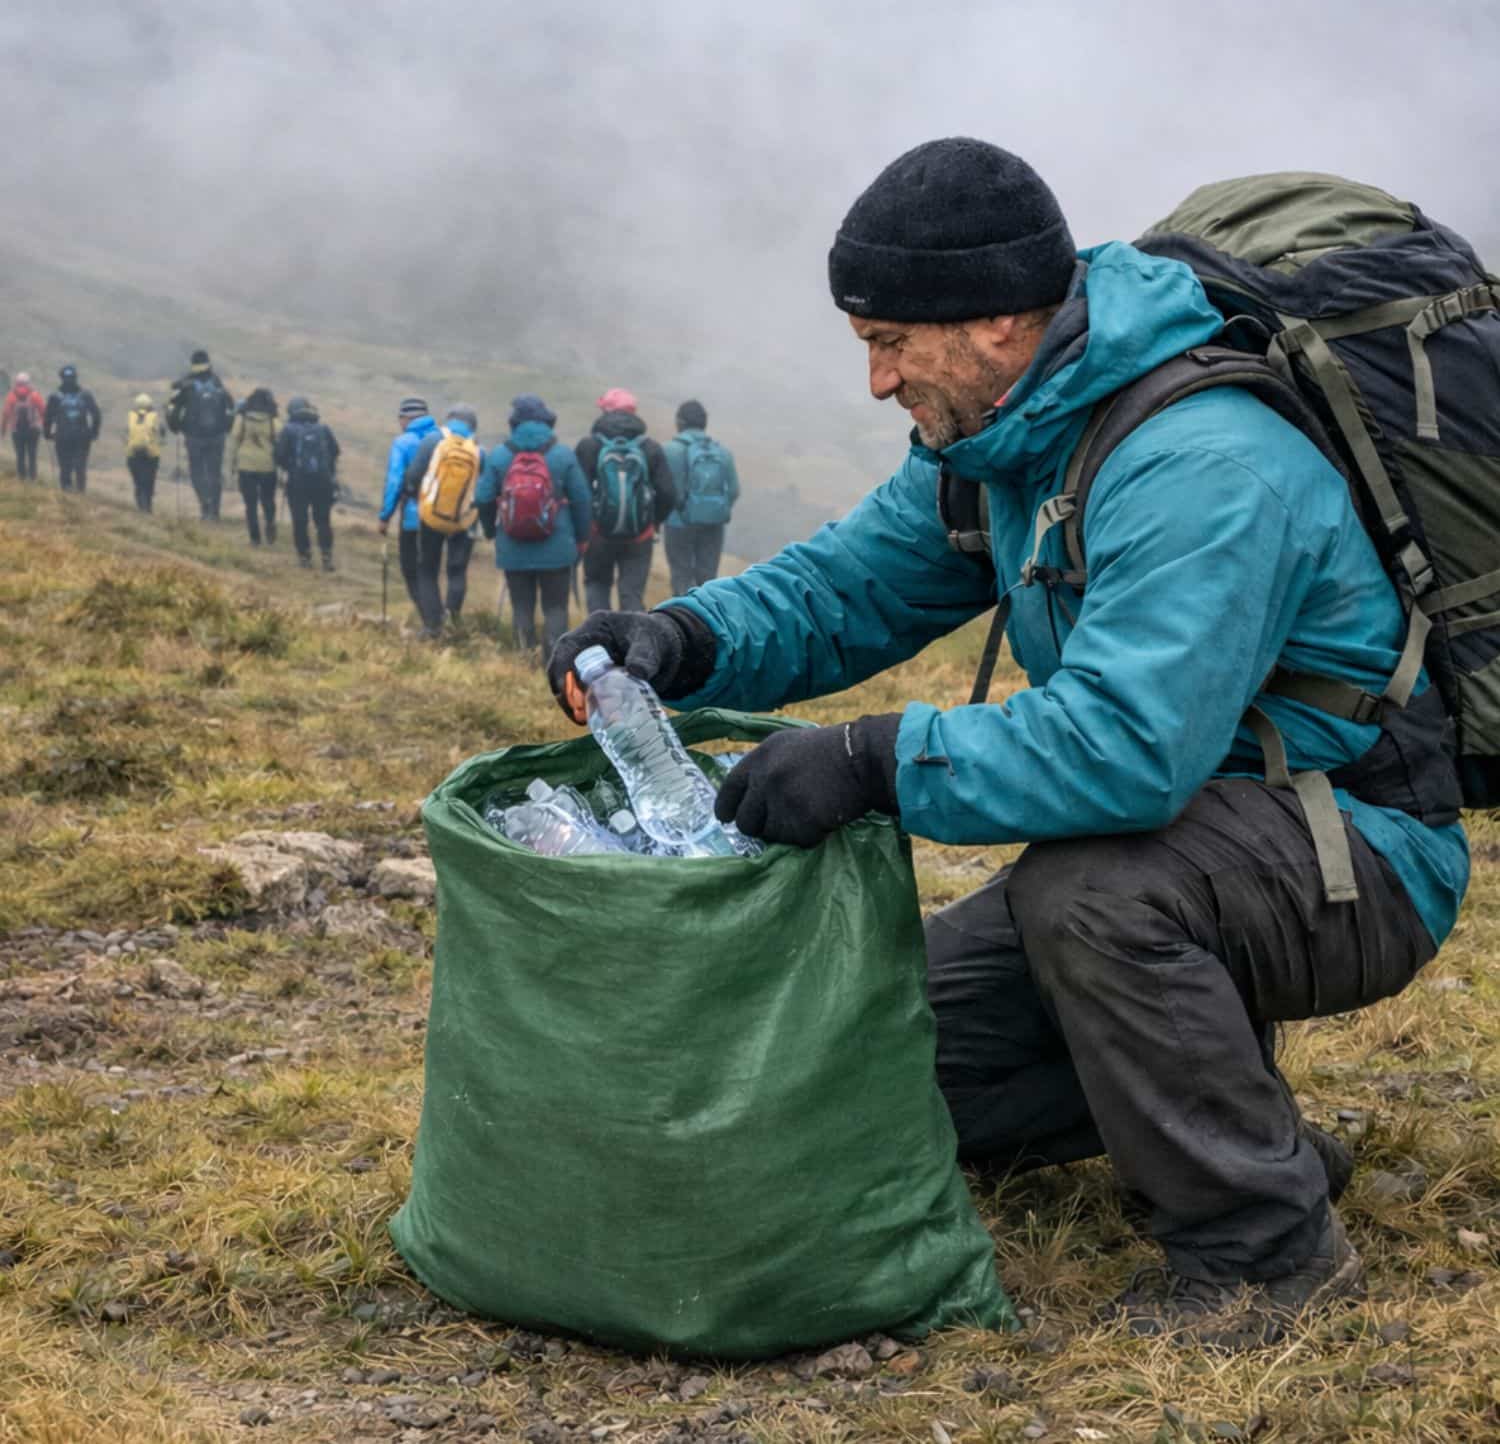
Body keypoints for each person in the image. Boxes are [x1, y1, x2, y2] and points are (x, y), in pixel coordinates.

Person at [548, 139, 1468, 1350]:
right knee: (892, 1057)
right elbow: (849, 586)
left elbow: (1128, 751)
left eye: (889, 345)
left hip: (1351, 845)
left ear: (992, 323)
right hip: (1184, 838)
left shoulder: (1200, 463)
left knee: (1091, 897)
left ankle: (1263, 1254)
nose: (877, 382)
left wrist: (872, 763)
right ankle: (1244, 1131)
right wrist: (683, 637)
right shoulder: (1002, 440)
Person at [474, 393, 591, 660]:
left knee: (521, 607)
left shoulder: (501, 455)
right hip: (558, 548)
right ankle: (555, 663)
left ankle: (523, 659)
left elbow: (482, 497)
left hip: (513, 546)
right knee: (555, 608)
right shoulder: (562, 455)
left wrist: (492, 531)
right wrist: (582, 539)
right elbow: (582, 499)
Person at [574, 388, 676, 613]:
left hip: (598, 533)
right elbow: (669, 493)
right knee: (632, 593)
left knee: (597, 585)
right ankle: (634, 645)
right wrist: (653, 522)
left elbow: (578, 494)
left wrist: (585, 527)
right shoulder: (650, 448)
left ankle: (600, 643)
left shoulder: (589, 446)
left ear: (605, 411)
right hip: (640, 536)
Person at [403, 404, 482, 637]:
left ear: (448, 420)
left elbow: (413, 476)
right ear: (473, 426)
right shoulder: (477, 449)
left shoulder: (432, 440)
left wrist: (417, 496)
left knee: (427, 569)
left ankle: (432, 626)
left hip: (432, 517)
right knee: (457, 571)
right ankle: (453, 621)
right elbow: (483, 488)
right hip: (464, 520)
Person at [662, 399, 740, 594]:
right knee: (707, 578)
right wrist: (716, 509)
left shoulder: (669, 450)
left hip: (678, 522)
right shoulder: (722, 452)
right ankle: (706, 620)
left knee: (681, 575)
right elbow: (734, 490)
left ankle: (682, 619)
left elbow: (663, 490)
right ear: (704, 423)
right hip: (714, 523)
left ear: (679, 422)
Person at [379, 397, 440, 616]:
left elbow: (395, 481)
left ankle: (430, 622)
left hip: (413, 518)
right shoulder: (442, 438)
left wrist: (385, 516)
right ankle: (439, 618)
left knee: (411, 570)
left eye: (400, 418)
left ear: (407, 418)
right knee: (431, 571)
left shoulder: (404, 442)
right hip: (440, 517)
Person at [166, 348, 235, 520]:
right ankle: (215, 511)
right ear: (208, 363)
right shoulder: (216, 382)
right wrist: (226, 429)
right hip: (217, 437)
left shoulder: (186, 385)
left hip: (194, 436)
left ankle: (205, 506)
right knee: (214, 472)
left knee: (197, 472)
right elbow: (230, 407)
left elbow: (173, 410)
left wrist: (176, 428)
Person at [275, 395, 340, 570]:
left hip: (298, 482)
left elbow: (279, 456)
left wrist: (290, 467)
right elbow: (335, 451)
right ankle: (327, 558)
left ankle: (305, 559)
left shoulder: (288, 430)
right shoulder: (323, 428)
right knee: (323, 521)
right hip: (322, 482)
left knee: (300, 521)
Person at [228, 388, 280, 546]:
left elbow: (234, 442)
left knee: (250, 504)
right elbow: (281, 443)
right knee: (268, 500)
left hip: (245, 466)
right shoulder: (274, 421)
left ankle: (254, 538)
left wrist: (232, 464)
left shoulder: (242, 419)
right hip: (268, 466)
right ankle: (270, 524)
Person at [43, 365, 102, 493]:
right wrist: (93, 432)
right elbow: (96, 414)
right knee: (80, 467)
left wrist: (47, 434)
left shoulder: (55, 397)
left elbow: (47, 417)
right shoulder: (85, 395)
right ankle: (81, 492)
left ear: (61, 378)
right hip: (82, 437)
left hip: (62, 437)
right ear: (76, 377)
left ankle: (67, 493)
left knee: (65, 467)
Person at [123, 392, 165, 512]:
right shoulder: (154, 417)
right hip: (151, 456)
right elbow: (162, 433)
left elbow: (125, 434)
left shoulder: (130, 417)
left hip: (133, 455)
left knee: (138, 482)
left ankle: (140, 505)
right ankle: (147, 507)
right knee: (149, 481)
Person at [3, 372, 46, 481]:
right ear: (28, 382)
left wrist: (2, 430)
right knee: (32, 454)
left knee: (20, 455)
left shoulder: (11, 396)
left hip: (17, 431)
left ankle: (21, 477)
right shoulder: (35, 395)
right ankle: (33, 478)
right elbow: (43, 411)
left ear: (16, 382)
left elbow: (6, 414)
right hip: (33, 430)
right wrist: (43, 426)